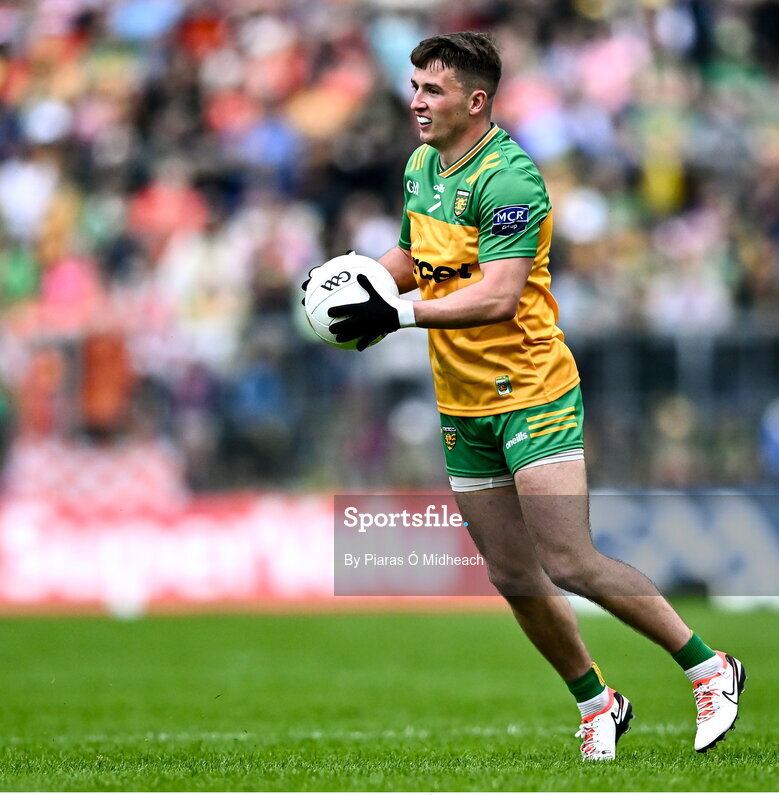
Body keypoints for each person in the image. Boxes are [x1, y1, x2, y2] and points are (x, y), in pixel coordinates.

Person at [302, 31, 745, 761]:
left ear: (475, 102)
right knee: (511, 574)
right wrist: (347, 282)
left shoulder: (511, 177)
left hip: (532, 390)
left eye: (432, 90)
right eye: (414, 87)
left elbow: (501, 295)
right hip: (463, 400)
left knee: (569, 560)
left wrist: (395, 314)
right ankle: (598, 701)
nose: (415, 101)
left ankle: (708, 665)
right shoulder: (422, 166)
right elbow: (416, 256)